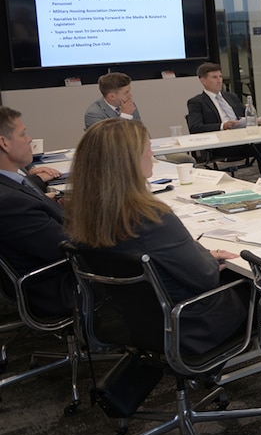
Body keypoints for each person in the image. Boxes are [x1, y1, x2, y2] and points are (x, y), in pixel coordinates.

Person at [63, 119, 248, 357]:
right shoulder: (152, 218)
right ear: (129, 162)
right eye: (147, 148)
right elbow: (206, 277)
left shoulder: (83, 213)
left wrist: (203, 255)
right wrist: (207, 259)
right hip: (191, 325)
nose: (152, 154)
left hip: (134, 320)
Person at [0, 107, 74, 317]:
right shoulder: (10, 203)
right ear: (4, 143)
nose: (29, 139)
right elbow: (69, 247)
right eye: (23, 134)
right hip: (58, 287)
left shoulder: (10, 188)